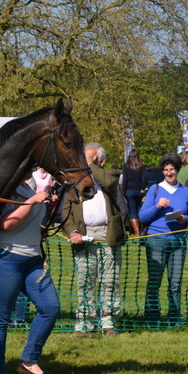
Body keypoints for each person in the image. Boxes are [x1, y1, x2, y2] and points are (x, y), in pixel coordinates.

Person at [0, 171, 58, 374]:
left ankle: (29, 361)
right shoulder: (3, 184)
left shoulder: (30, 181)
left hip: (33, 258)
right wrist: (32, 201)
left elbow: (29, 219)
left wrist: (40, 228)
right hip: (6, 258)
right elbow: (6, 224)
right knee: (0, 318)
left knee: (50, 307)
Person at [63, 143, 126, 336]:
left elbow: (108, 183)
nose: (82, 162)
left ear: (100, 161)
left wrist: (89, 165)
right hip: (83, 234)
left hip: (108, 234)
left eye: (88, 158)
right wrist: (73, 232)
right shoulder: (75, 181)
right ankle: (84, 324)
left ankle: (108, 323)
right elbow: (66, 209)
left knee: (110, 281)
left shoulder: (111, 174)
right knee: (85, 281)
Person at [139, 153, 188, 328]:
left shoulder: (186, 192)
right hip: (156, 240)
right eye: (165, 170)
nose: (168, 173)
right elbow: (143, 216)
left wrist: (184, 220)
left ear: (177, 170)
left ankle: (174, 319)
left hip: (179, 242)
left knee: (175, 283)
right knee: (154, 281)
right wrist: (157, 206)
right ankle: (152, 318)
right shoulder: (155, 189)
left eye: (171, 169)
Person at [121, 149, 147, 236]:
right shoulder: (141, 166)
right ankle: (135, 230)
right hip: (138, 191)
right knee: (137, 210)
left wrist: (123, 192)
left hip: (129, 191)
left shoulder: (126, 166)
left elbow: (125, 180)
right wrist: (142, 188)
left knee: (132, 211)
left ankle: (137, 232)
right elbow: (146, 177)